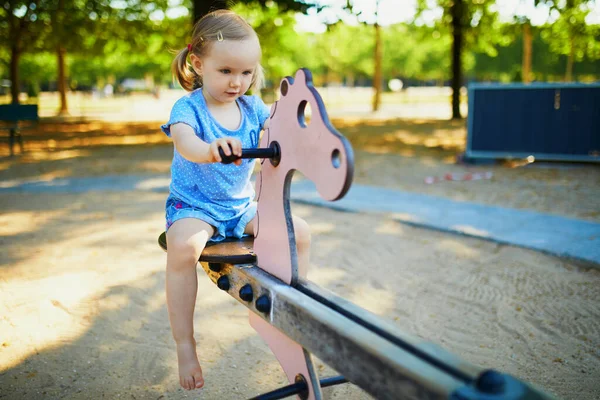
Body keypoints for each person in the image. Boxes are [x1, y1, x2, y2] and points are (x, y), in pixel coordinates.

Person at [161, 10, 311, 391]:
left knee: (300, 232)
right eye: (226, 71)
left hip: (240, 207)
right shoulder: (188, 108)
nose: (238, 82)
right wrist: (210, 148)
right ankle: (185, 344)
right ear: (198, 64)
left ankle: (298, 304)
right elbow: (187, 144)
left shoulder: (252, 107)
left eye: (247, 73)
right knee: (184, 246)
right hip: (194, 205)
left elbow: (277, 126)